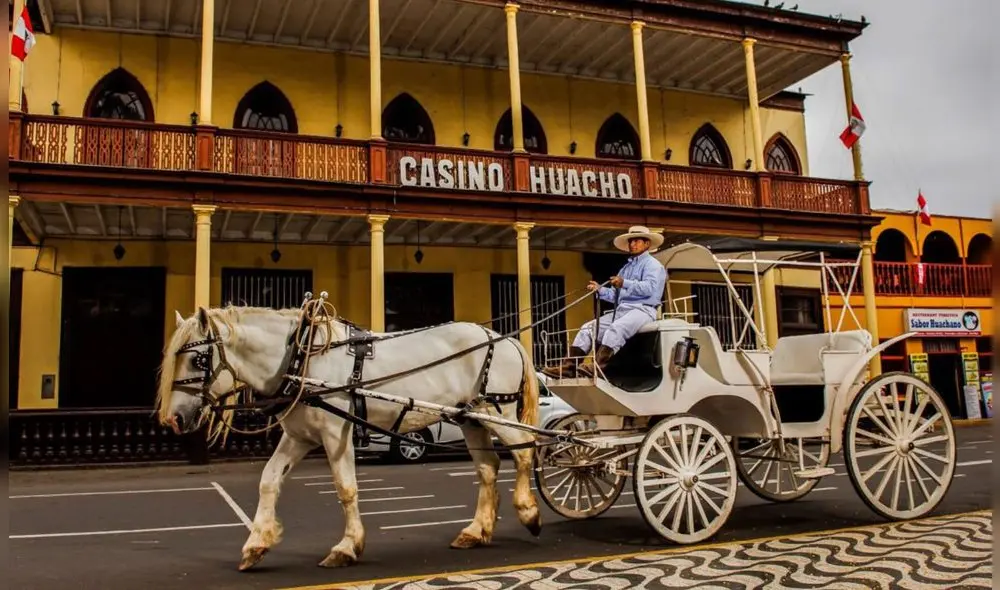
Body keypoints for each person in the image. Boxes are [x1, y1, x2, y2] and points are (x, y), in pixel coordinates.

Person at [543, 225, 667, 379]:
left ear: (647, 244)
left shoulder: (653, 265)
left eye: (636, 241)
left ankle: (599, 367)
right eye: (630, 241)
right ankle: (569, 367)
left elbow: (650, 288)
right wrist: (600, 291)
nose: (632, 244)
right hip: (623, 310)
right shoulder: (625, 268)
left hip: (643, 310)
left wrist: (624, 283)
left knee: (616, 328)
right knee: (588, 328)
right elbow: (616, 295)